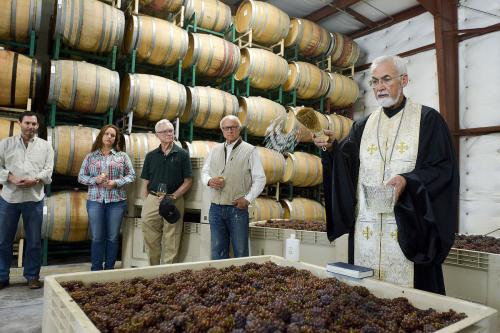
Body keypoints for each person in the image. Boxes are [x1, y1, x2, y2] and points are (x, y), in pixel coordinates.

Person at [314, 55, 458, 295]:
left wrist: (407, 180)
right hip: (367, 228)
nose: (379, 87)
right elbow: (348, 168)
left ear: (404, 80)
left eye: (386, 79)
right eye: (374, 82)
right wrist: (332, 149)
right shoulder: (362, 125)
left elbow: (442, 170)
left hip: (409, 226)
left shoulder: (428, 120)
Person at [0, 111, 54, 289]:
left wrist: (36, 179)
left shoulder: (45, 146)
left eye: (34, 124)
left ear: (38, 126)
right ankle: (2, 276)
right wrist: (10, 177)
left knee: (34, 240)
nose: (30, 127)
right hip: (9, 198)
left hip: (34, 198)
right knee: (3, 240)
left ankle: (32, 276)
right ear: (19, 123)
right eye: (27, 123)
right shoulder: (6, 144)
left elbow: (48, 169)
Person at [201, 115, 266, 259]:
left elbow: (260, 179)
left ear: (239, 129)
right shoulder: (215, 149)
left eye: (233, 127)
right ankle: (220, 280)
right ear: (222, 130)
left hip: (237, 209)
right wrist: (209, 181)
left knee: (240, 251)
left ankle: (241, 281)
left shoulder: (250, 150)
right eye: (226, 128)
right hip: (216, 209)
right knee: (217, 251)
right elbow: (204, 172)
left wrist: (248, 199)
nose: (230, 130)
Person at [78, 125, 135, 271]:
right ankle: (96, 269)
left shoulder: (122, 156)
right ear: (101, 136)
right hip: (95, 201)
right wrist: (95, 180)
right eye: (107, 134)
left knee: (112, 237)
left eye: (113, 135)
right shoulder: (90, 157)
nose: (109, 137)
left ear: (116, 139)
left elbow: (132, 176)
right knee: (97, 237)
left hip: (116, 202)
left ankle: (109, 269)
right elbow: (81, 177)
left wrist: (116, 183)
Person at [141, 119, 192, 265]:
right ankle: (153, 269)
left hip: (174, 199)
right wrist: (147, 200)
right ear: (157, 135)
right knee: (149, 235)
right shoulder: (151, 156)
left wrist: (173, 196)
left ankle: (167, 272)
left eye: (171, 130)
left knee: (172, 237)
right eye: (165, 131)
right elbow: (145, 181)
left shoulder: (182, 154)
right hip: (153, 198)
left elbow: (188, 181)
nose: (169, 133)